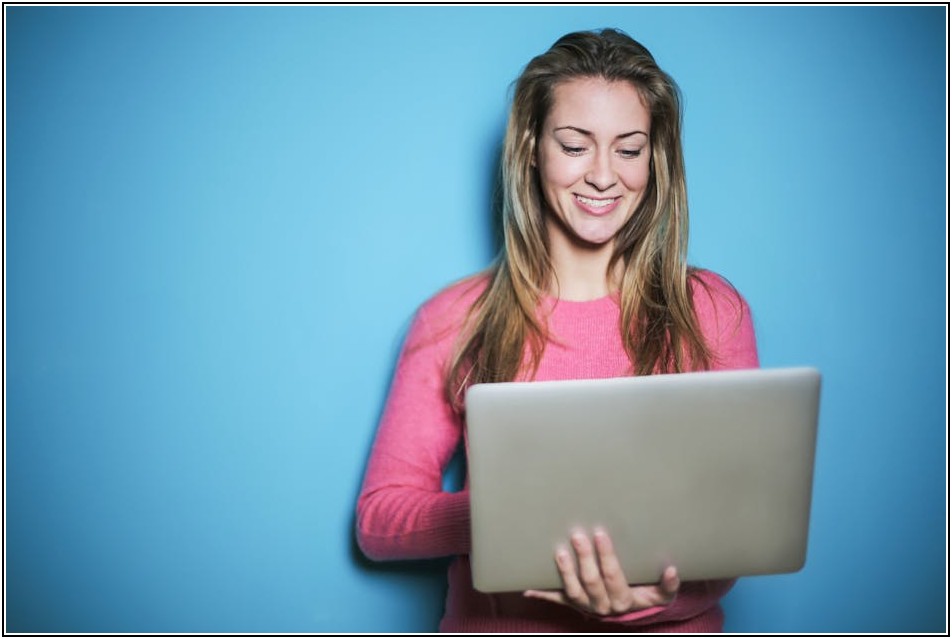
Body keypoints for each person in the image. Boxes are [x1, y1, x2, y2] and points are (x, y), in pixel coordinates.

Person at [356, 28, 759, 633]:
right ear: (531, 146)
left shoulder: (711, 310)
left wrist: (649, 598)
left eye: (629, 149)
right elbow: (379, 520)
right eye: (575, 145)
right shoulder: (453, 319)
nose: (603, 176)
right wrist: (501, 518)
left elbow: (744, 520)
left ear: (657, 158)